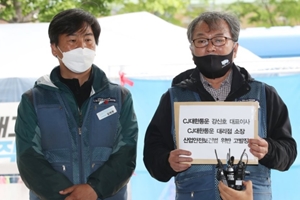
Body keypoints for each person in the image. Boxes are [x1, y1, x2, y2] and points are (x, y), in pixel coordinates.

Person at [143, 11, 297, 200]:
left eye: (219, 39)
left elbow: (289, 153)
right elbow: (152, 155)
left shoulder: (265, 95)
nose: (210, 48)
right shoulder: (173, 98)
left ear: (235, 47)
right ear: (191, 48)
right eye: (201, 41)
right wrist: (168, 162)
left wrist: (269, 150)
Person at [15, 8, 138, 200]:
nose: (82, 47)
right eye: (72, 41)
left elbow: (126, 152)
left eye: (88, 40)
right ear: (54, 48)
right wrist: (67, 195)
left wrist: (94, 189)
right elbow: (28, 157)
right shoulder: (33, 100)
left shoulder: (119, 97)